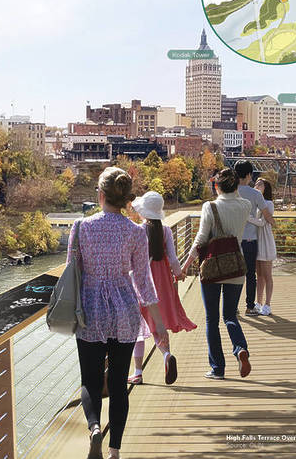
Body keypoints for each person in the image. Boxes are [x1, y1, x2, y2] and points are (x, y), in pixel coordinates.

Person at [71, 167, 168, 459]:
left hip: (90, 311)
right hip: (124, 311)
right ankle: (114, 452)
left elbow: (71, 272)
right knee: (117, 382)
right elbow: (143, 281)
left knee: (90, 380)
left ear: (100, 196)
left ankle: (94, 428)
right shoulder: (137, 232)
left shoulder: (81, 227)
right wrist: (159, 323)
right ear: (127, 200)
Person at [180, 168, 253, 380]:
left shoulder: (209, 207)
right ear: (236, 185)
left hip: (212, 267)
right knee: (230, 315)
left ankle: (217, 368)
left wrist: (185, 267)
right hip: (236, 266)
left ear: (216, 186)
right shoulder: (245, 205)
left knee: (212, 319)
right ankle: (240, 348)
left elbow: (201, 240)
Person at [127, 191, 197, 386]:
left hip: (141, 280)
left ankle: (138, 372)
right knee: (159, 323)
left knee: (137, 327)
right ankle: (166, 354)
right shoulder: (165, 230)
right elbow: (173, 259)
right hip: (162, 280)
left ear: (144, 212)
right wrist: (179, 273)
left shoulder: (137, 230)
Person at [233, 160, 275, 316]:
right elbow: (267, 216)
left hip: (232, 239)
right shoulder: (255, 194)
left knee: (234, 274)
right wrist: (271, 221)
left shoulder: (229, 191)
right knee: (250, 275)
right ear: (249, 175)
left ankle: (232, 306)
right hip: (250, 240)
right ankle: (250, 307)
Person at [247, 178, 276, 315]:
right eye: (256, 183)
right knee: (259, 275)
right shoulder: (255, 202)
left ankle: (268, 304)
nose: (257, 185)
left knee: (267, 275)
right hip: (256, 239)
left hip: (265, 240)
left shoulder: (268, 203)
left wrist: (247, 217)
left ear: (266, 187)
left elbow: (262, 223)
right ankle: (258, 303)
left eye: (260, 184)